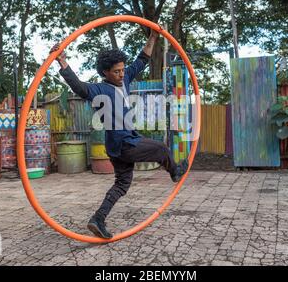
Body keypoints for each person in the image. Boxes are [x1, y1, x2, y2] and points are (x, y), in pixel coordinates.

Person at [50, 30, 188, 239]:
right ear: (106, 72)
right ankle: (175, 172)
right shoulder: (100, 89)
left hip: (118, 145)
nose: (122, 74)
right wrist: (62, 62)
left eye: (123, 70)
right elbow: (79, 87)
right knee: (161, 148)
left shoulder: (125, 79)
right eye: (116, 71)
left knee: (122, 183)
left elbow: (142, 59)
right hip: (123, 143)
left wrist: (153, 37)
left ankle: (98, 219)